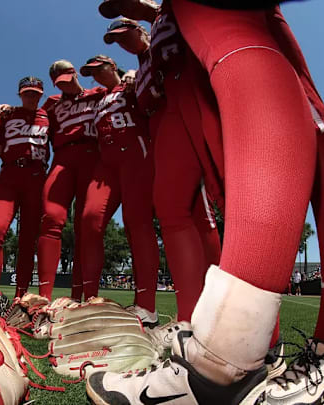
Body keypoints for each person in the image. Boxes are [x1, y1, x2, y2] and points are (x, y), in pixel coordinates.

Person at [87, 1, 324, 404]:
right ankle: (257, 348)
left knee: (312, 134)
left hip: (219, 67)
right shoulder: (162, 34)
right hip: (187, 88)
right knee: (218, 191)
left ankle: (318, 354)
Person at [101, 13, 223, 346]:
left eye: (127, 35)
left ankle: (223, 305)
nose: (125, 43)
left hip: (185, 108)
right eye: (119, 41)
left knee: (201, 210)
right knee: (174, 211)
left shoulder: (159, 40)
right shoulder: (138, 68)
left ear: (141, 29)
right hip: (159, 130)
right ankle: (191, 315)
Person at [76, 55, 160, 324]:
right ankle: (90, 299)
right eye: (91, 72)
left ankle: (146, 305)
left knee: (137, 222)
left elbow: (150, 85)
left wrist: (136, 74)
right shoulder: (97, 97)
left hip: (136, 151)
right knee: (89, 218)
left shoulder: (129, 84)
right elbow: (71, 91)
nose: (96, 74)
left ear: (112, 66)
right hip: (106, 160)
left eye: (99, 68)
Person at [36, 60, 106, 301]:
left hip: (92, 155)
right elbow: (33, 119)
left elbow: (119, 94)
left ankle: (86, 296)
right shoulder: (52, 104)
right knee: (51, 218)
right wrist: (9, 110)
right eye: (60, 84)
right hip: (63, 158)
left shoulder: (97, 94)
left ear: (75, 74)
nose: (66, 87)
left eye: (68, 80)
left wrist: (127, 76)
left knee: (86, 225)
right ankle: (44, 296)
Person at [0, 76, 49, 298]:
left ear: (41, 95)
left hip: (37, 176)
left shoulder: (49, 115)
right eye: (27, 93)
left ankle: (21, 295)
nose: (31, 97)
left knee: (29, 239)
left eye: (36, 94)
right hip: (10, 174)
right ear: (20, 94)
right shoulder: (9, 114)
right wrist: (13, 158)